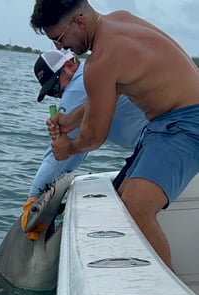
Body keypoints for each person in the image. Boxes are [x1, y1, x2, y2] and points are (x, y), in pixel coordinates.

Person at [30, 0, 199, 269]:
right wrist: (70, 119)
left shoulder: (101, 59)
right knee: (120, 197)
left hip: (188, 122)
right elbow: (114, 90)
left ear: (80, 22)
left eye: (59, 39)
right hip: (163, 124)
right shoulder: (121, 19)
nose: (60, 48)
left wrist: (68, 148)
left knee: (135, 207)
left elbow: (93, 138)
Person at [26, 48, 147, 205]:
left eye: (55, 86)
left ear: (69, 66)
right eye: (50, 93)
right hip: (151, 144)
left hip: (161, 141)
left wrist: (33, 197)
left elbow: (63, 154)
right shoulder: (91, 72)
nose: (58, 95)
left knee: (133, 208)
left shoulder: (79, 85)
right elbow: (80, 146)